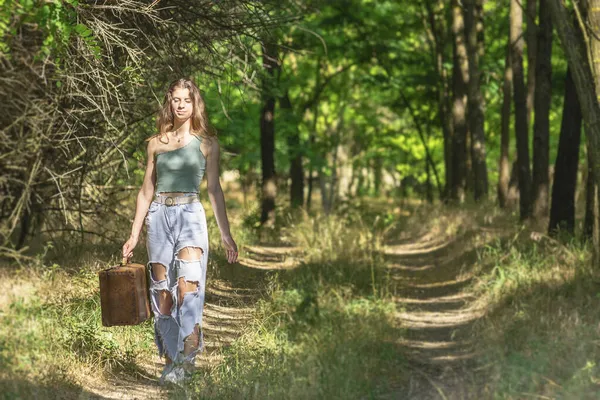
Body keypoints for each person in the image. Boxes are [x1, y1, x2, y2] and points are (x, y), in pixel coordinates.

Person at [121, 78, 238, 385]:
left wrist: (226, 234)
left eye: (187, 99)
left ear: (194, 103)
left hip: (190, 216)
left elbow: (214, 190)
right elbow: (145, 191)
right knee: (161, 292)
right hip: (158, 216)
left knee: (189, 290)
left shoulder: (207, 144)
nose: (181, 104)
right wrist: (133, 234)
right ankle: (172, 359)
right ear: (169, 103)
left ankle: (186, 363)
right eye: (176, 100)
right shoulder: (156, 144)